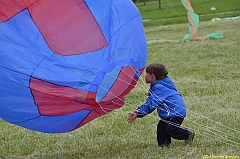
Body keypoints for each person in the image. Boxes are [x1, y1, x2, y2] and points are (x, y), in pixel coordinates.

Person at [127, 62, 195, 147]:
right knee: (161, 128)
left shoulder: (159, 88)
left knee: (170, 129)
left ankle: (188, 134)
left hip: (176, 112)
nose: (145, 76)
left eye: (146, 73)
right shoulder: (162, 83)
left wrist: (139, 112)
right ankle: (164, 145)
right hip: (170, 112)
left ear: (152, 76)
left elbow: (151, 103)